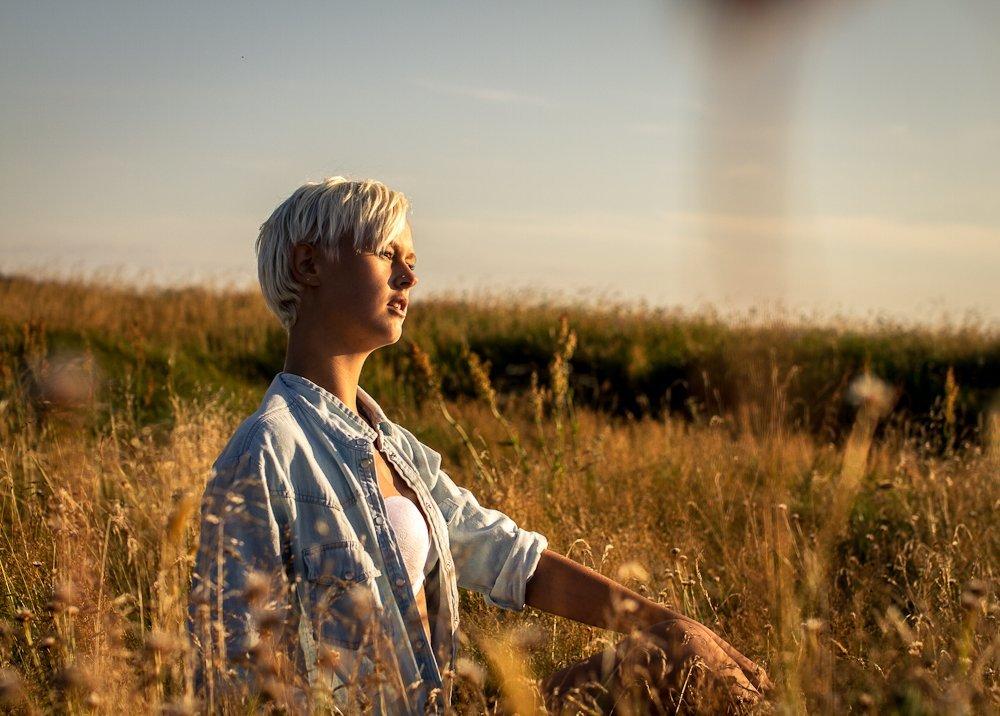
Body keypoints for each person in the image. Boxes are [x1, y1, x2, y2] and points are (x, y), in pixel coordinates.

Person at [187, 177, 771, 713]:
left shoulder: (393, 448)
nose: (409, 278)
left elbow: (510, 557)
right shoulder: (267, 451)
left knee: (676, 657)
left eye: (411, 260)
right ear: (308, 265)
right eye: (387, 254)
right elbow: (232, 668)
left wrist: (668, 622)